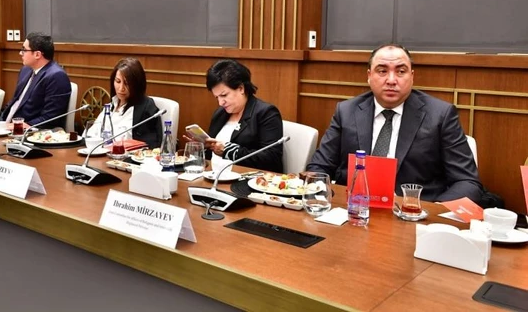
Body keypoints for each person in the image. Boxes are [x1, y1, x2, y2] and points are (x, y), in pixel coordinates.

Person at [307, 44, 484, 203]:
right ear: (369, 76)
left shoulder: (440, 115)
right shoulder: (346, 111)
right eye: (382, 71)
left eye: (400, 71)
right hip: (354, 209)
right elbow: (319, 167)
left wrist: (433, 214)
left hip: (415, 215)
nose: (391, 80)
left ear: (412, 76)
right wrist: (322, 197)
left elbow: (467, 182)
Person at [193, 59, 283, 173]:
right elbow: (211, 155)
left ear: (241, 88)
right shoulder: (220, 113)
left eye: (224, 95)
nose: (220, 103)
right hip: (213, 175)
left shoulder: (266, 113)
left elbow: (271, 159)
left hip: (248, 179)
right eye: (217, 97)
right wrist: (202, 146)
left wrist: (229, 151)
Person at [0, 32, 71, 129]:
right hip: (6, 126)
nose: (20, 53)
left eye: (24, 50)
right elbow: (15, 102)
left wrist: (26, 125)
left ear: (37, 54)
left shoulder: (56, 76)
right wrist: (0, 122)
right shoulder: (26, 70)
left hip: (30, 131)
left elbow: (51, 117)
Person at [85, 58, 162, 148]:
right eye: (118, 81)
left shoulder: (146, 108)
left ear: (137, 84)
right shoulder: (111, 105)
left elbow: (150, 147)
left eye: (127, 83)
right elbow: (89, 134)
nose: (121, 88)